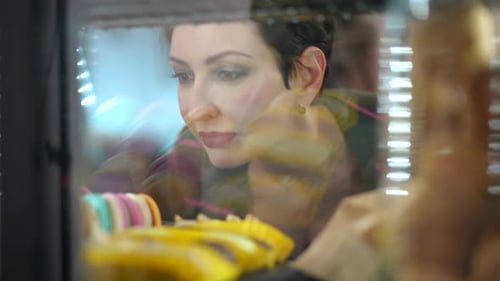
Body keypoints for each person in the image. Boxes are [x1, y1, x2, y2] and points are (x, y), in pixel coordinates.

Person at [87, 0, 379, 258]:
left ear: (307, 74)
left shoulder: (387, 147)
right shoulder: (192, 148)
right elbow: (136, 199)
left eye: (229, 73)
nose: (197, 110)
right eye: (183, 75)